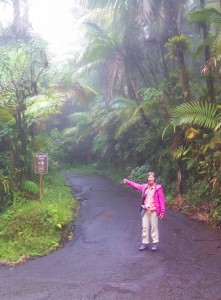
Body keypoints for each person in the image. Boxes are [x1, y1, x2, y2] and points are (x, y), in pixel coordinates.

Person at [123, 172, 166, 252]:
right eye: (149, 177)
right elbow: (136, 185)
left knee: (154, 227)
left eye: (152, 177)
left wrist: (162, 212)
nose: (150, 179)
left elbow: (161, 200)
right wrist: (128, 182)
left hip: (154, 211)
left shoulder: (158, 188)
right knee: (145, 227)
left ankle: (155, 243)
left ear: (154, 178)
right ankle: (145, 243)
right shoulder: (145, 187)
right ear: (147, 178)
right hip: (145, 210)